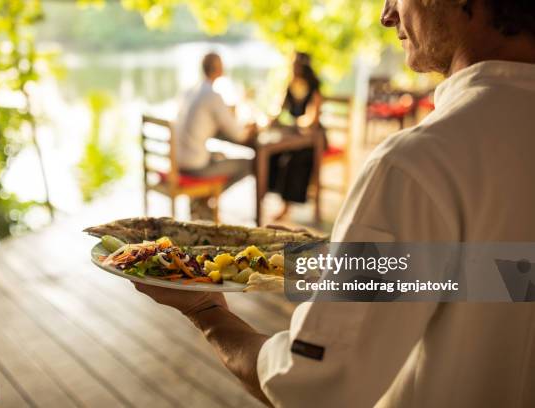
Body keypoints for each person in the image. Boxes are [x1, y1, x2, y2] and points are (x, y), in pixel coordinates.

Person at [135, 1, 535, 407]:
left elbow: (310, 388)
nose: (387, 14)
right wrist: (327, 260)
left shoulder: (417, 164)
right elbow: (509, 279)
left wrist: (206, 312)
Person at [174, 52, 257, 219]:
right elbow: (239, 135)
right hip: (194, 166)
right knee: (250, 164)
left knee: (219, 155)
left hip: (176, 160)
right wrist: (251, 128)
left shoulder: (190, 91)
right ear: (220, 69)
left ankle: (202, 202)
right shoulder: (212, 95)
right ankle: (208, 197)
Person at [268, 52, 324, 220]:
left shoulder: (314, 87)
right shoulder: (290, 85)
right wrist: (273, 119)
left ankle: (287, 206)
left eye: (296, 65)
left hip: (313, 138)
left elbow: (312, 118)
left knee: (296, 159)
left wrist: (297, 123)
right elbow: (280, 109)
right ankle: (270, 194)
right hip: (293, 134)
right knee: (273, 154)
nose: (293, 68)